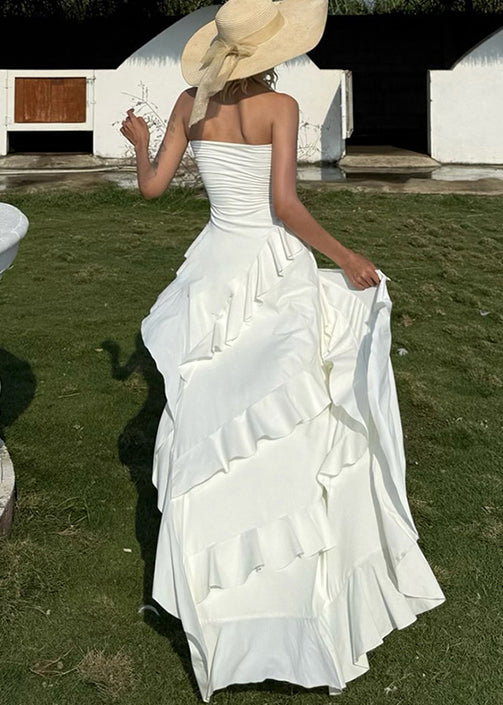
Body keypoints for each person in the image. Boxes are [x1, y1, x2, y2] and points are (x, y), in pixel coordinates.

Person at [120, 0, 446, 701]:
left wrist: (140, 140)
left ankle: (221, 595)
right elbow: (286, 206)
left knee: (211, 421)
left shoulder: (187, 103)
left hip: (213, 273)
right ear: (270, 53)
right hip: (268, 268)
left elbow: (150, 189)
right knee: (289, 422)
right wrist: (347, 256)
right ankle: (297, 595)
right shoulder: (280, 107)